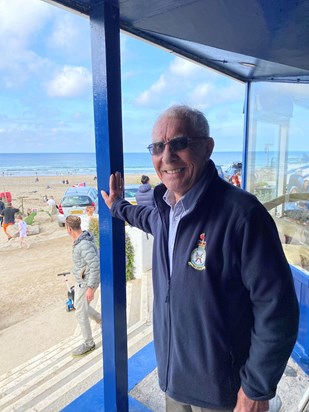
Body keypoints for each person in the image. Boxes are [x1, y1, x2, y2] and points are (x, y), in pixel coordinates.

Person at [102, 105, 299, 412]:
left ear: (207, 148)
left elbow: (278, 309)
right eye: (157, 147)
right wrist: (117, 206)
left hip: (225, 393)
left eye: (179, 143)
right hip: (174, 381)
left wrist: (256, 391)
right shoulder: (165, 213)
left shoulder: (243, 215)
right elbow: (141, 216)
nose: (167, 156)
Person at [65, 215, 101, 357]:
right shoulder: (82, 239)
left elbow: (94, 265)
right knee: (79, 306)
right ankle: (101, 320)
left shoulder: (83, 244)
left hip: (86, 282)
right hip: (83, 279)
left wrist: (91, 288)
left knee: (80, 312)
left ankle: (89, 343)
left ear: (68, 229)